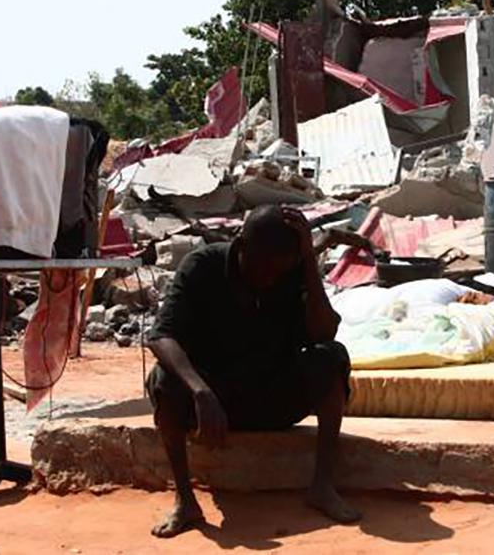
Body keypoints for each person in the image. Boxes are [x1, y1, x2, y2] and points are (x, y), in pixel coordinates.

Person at [146, 204, 360, 538]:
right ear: (241, 246)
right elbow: (161, 337)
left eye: (279, 268)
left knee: (331, 358)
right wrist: (200, 391)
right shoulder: (202, 266)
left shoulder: (292, 271)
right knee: (165, 379)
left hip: (273, 396)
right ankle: (185, 501)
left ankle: (322, 486)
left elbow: (324, 332)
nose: (269, 276)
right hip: (214, 402)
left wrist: (307, 264)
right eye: (262, 266)